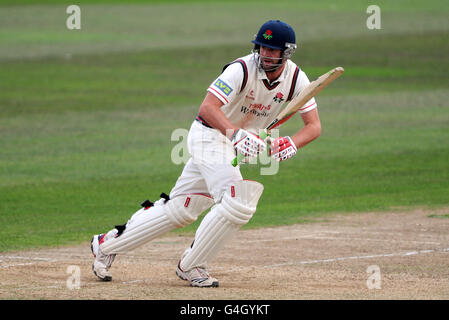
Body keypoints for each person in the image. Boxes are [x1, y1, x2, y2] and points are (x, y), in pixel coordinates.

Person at [90, 20, 321, 287]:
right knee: (238, 201)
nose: (266, 54)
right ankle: (192, 265)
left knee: (182, 209)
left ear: (286, 52)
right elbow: (207, 108)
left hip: (234, 143)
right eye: (262, 48)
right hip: (209, 135)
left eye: (273, 50)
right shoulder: (241, 69)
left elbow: (313, 126)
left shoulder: (295, 79)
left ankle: (105, 245)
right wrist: (235, 133)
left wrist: (292, 143)